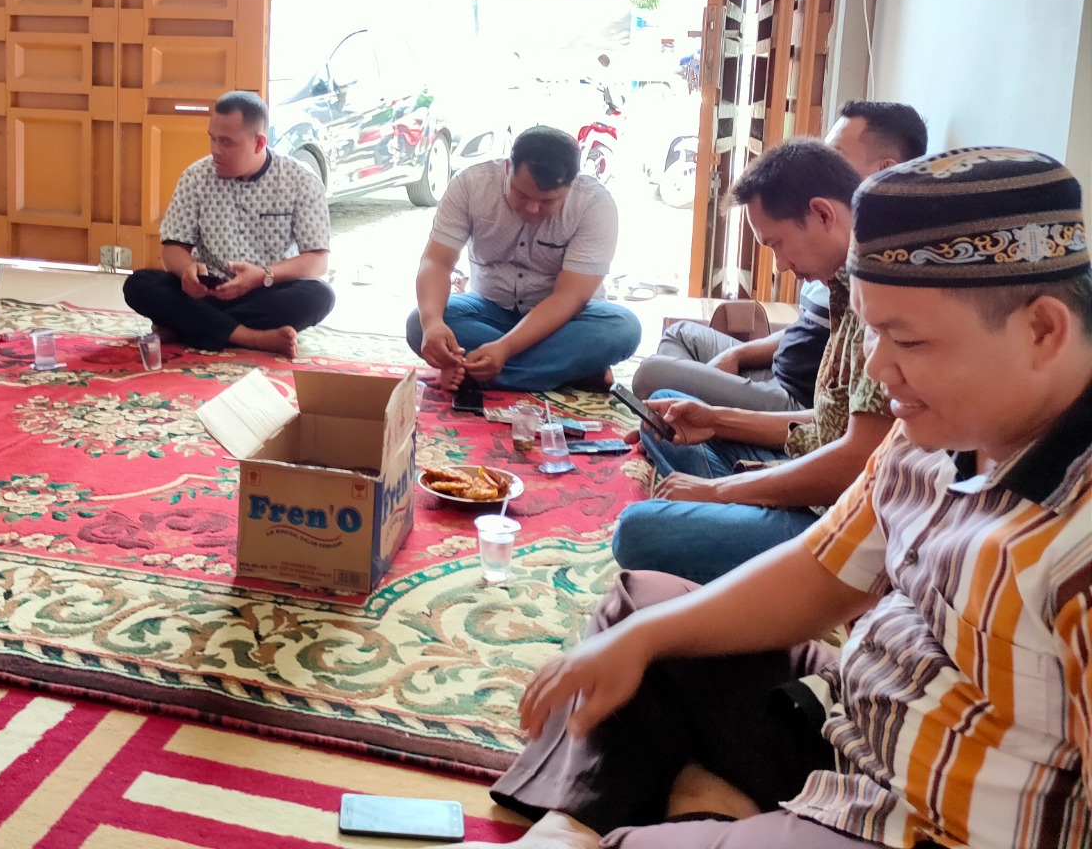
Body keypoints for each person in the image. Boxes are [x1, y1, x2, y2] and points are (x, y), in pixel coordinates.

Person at [464, 146, 1092, 849]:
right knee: (639, 613)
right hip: (852, 724)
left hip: (917, 820)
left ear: (1042, 330)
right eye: (873, 332)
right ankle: (620, 815)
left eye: (907, 340)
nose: (880, 368)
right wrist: (644, 638)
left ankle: (684, 809)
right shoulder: (933, 430)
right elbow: (825, 569)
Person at [611, 139, 894, 583]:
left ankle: (733, 516)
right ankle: (734, 512)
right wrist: (714, 420)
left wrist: (718, 492)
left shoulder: (883, 294)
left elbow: (857, 461)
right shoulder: (846, 285)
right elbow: (831, 422)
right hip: (814, 471)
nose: (779, 266)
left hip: (841, 522)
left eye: (778, 244)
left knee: (637, 532)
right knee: (669, 412)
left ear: (823, 214)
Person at [632, 100, 927, 412]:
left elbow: (837, 425)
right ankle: (684, 409)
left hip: (793, 400)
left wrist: (717, 417)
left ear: (886, 171)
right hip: (776, 376)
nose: (823, 167)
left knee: (655, 378)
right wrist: (737, 356)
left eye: (835, 156)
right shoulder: (837, 266)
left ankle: (686, 411)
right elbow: (811, 336)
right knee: (679, 339)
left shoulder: (880, 274)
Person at [407, 126, 641, 393]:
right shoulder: (471, 185)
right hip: (490, 309)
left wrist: (505, 349)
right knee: (419, 323)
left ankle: (476, 371)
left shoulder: (594, 204)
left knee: (622, 327)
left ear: (571, 185)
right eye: (522, 195)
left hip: (563, 322)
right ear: (508, 168)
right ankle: (566, 369)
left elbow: (569, 297)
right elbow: (437, 262)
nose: (532, 208)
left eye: (547, 201)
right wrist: (433, 324)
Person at [122, 91, 336, 356]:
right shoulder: (196, 176)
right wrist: (187, 270)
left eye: (226, 142)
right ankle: (252, 338)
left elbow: (317, 261)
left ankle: (188, 326)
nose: (215, 150)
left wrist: (263, 276)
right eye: (212, 138)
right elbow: (173, 248)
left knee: (320, 296)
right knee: (139, 284)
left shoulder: (300, 181)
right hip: (206, 291)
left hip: (266, 290)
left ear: (259, 143)